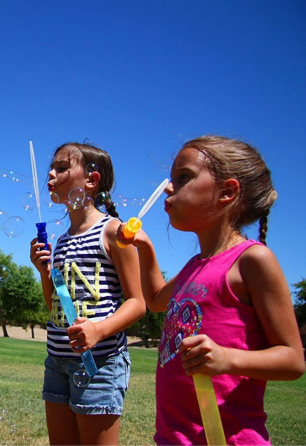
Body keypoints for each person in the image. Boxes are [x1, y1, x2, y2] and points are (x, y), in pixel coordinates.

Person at [117, 136, 304, 445]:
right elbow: (154, 300)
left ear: (227, 192)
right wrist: (146, 248)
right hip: (173, 437)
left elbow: (293, 360)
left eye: (183, 177)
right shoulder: (195, 265)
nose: (167, 188)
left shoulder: (252, 260)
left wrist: (227, 358)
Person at [30, 142, 146, 445]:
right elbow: (54, 306)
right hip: (56, 360)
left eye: (62, 167)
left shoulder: (113, 232)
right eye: (51, 168)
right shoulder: (62, 241)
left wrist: (99, 330)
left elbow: (137, 303)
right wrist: (44, 273)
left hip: (100, 363)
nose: (51, 175)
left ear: (91, 181)